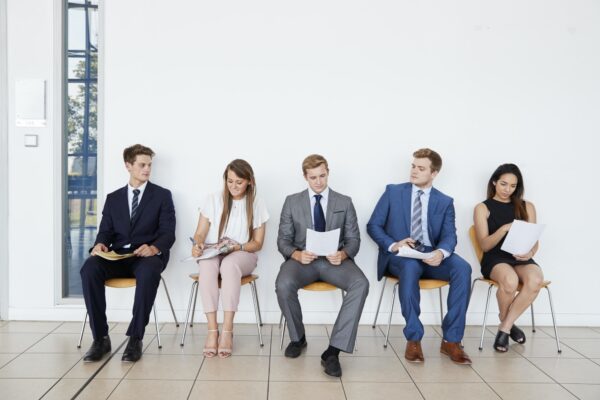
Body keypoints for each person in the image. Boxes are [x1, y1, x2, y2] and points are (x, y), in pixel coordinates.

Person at [367, 148, 472, 365]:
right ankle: (414, 338)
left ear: (433, 173)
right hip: (402, 256)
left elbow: (450, 236)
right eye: (413, 166)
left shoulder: (444, 201)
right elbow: (373, 225)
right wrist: (394, 244)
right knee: (410, 268)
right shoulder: (393, 192)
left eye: (421, 168)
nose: (414, 171)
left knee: (463, 268)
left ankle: (451, 340)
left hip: (431, 255)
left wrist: (440, 253)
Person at [275, 154, 369, 378]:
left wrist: (343, 253)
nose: (318, 182)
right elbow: (282, 241)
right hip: (302, 261)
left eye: (322, 176)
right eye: (313, 177)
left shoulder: (344, 202)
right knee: (283, 284)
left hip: (334, 262)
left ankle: (333, 351)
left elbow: (354, 240)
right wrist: (296, 254)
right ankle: (298, 338)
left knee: (360, 283)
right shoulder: (292, 201)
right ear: (305, 177)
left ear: (328, 172)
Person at [80, 144, 176, 363]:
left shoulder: (162, 195)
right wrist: (100, 245)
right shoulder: (113, 198)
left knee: (149, 271)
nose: (147, 169)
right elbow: (105, 231)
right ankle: (100, 338)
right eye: (142, 165)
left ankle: (135, 338)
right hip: (118, 256)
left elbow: (168, 232)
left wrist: (153, 248)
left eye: (149, 165)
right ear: (128, 166)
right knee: (89, 268)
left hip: (146, 257)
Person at [191, 159, 269, 358]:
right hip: (214, 251)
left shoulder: (257, 204)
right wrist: (198, 244)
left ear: (250, 181)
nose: (233, 186)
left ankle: (227, 330)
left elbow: (258, 243)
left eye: (239, 182)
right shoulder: (213, 199)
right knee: (207, 266)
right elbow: (200, 232)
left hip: (243, 254)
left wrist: (238, 246)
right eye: (230, 181)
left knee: (229, 264)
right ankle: (212, 331)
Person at [473, 163, 543, 352]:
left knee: (536, 279)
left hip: (520, 256)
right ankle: (509, 326)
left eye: (512, 186)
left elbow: (534, 239)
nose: (507, 190)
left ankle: (504, 327)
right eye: (503, 184)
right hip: (495, 258)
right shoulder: (482, 208)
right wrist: (504, 228)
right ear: (494, 182)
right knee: (510, 281)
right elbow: (485, 245)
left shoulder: (527, 206)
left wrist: (530, 253)